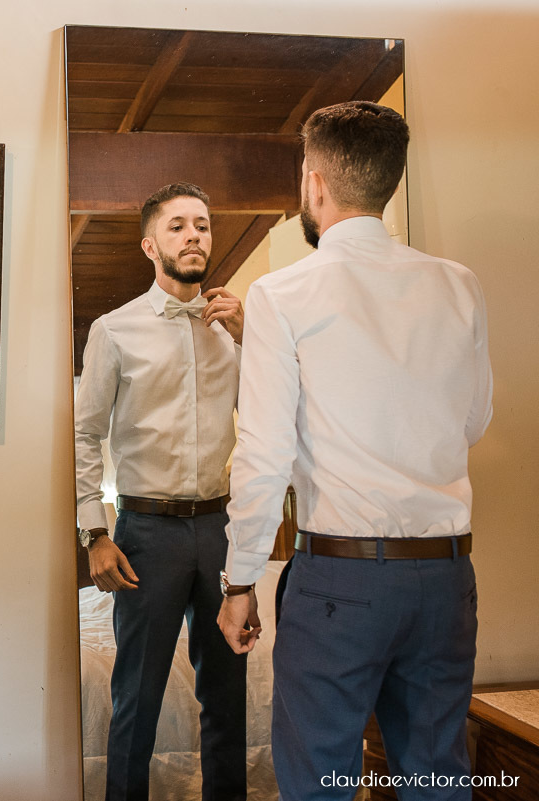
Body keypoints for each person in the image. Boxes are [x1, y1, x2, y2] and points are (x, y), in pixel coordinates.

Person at [217, 101, 492, 800]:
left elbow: (264, 454)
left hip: (341, 582)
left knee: (320, 783)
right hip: (445, 578)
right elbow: (474, 420)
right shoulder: (459, 285)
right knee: (438, 779)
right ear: (389, 182)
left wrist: (240, 580)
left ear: (314, 182)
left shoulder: (282, 295)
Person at [75, 182, 248, 801]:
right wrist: (95, 532)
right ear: (150, 244)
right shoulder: (114, 330)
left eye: (201, 224)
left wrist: (254, 339)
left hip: (223, 531)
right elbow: (84, 434)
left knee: (228, 695)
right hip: (146, 531)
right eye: (177, 226)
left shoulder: (239, 332)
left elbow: (277, 417)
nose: (193, 235)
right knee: (137, 700)